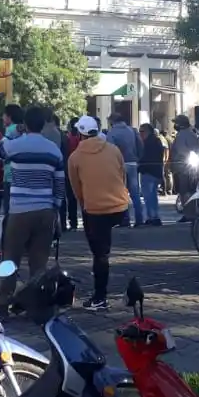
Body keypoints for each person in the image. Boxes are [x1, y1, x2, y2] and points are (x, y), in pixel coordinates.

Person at [0, 106, 65, 311]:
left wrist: (12, 135)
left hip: (19, 211)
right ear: (43, 124)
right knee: (39, 261)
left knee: (10, 259)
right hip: (45, 211)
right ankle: (36, 303)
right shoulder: (53, 150)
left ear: (25, 124)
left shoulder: (15, 145)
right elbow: (59, 185)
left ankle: (3, 302)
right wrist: (55, 210)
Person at [67, 115, 129, 310]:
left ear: (80, 134)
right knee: (103, 248)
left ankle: (100, 297)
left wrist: (86, 203)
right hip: (120, 206)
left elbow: (76, 189)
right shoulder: (113, 149)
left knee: (100, 255)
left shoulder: (75, 157)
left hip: (95, 209)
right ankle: (100, 294)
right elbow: (122, 175)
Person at [106, 113, 143, 228]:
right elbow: (140, 145)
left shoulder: (112, 133)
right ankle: (139, 219)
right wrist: (138, 158)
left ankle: (125, 219)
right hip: (133, 163)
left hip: (119, 165)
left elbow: (110, 150)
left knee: (121, 193)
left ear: (113, 121)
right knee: (135, 193)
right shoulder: (132, 130)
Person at [168, 115, 199, 203]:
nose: (175, 125)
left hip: (185, 168)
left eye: (176, 123)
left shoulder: (186, 134)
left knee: (186, 192)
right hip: (183, 168)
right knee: (184, 192)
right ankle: (188, 212)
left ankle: (189, 213)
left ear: (181, 124)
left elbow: (186, 151)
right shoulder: (186, 134)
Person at [137, 123, 165, 226]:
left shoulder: (149, 143)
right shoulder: (156, 141)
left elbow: (147, 158)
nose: (140, 134)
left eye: (141, 131)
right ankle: (153, 216)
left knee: (149, 196)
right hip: (155, 172)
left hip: (149, 172)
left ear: (147, 132)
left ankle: (152, 217)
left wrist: (139, 167)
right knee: (152, 196)